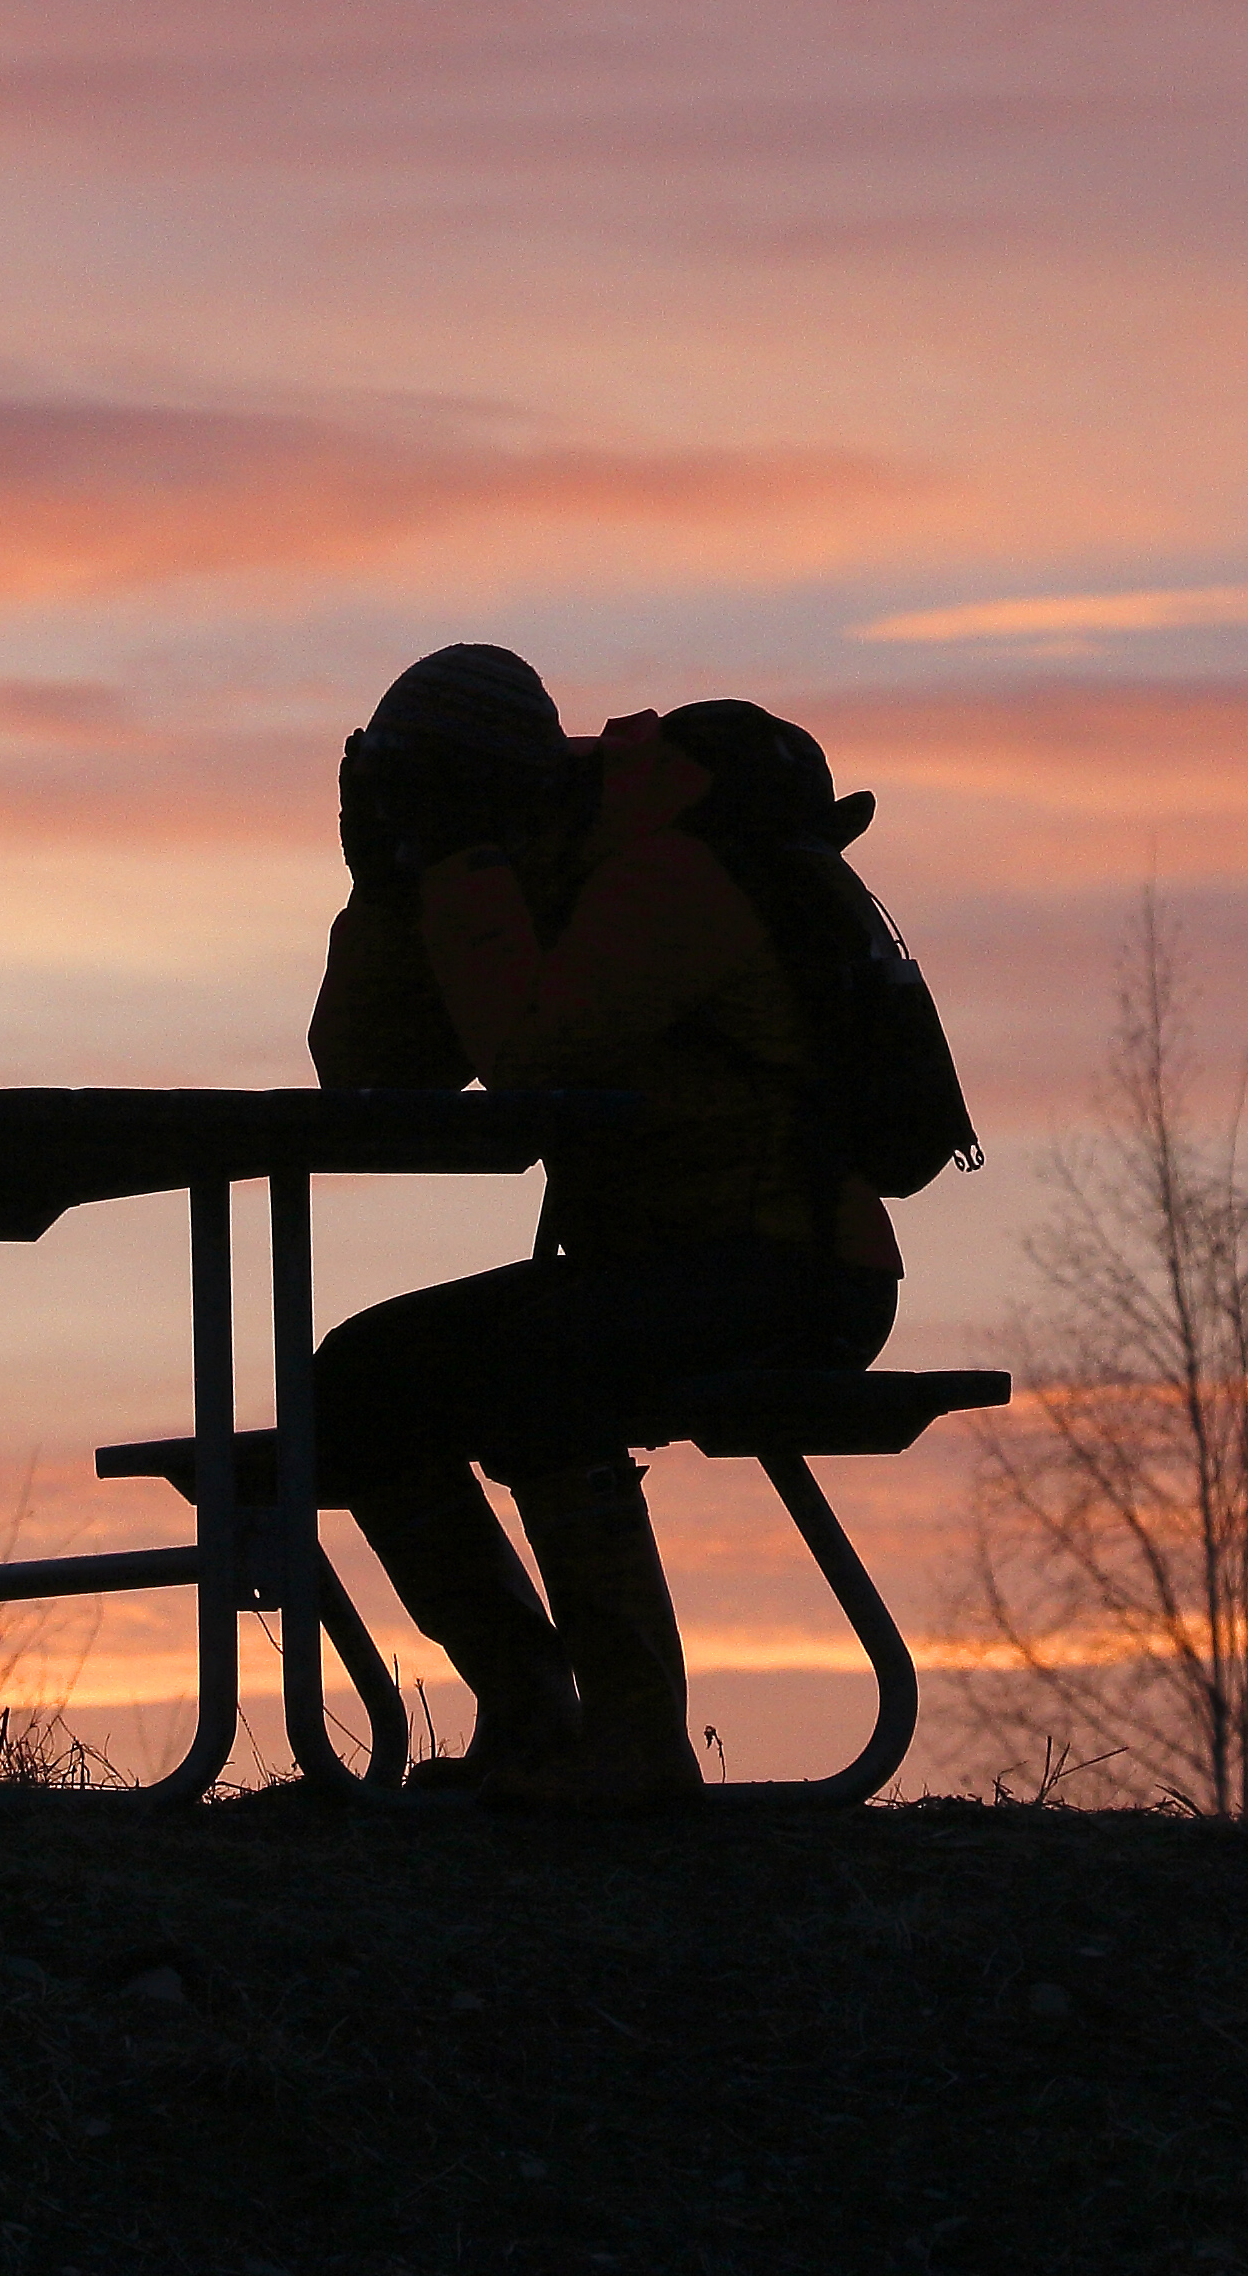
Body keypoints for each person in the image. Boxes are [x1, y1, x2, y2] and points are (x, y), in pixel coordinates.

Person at [306, 643, 902, 1812]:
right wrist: (387, 888)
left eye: (427, 789)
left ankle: (636, 1746)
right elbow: (370, 1077)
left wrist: (463, 868)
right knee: (360, 1378)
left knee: (541, 1369)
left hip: (792, 1266)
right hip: (653, 1262)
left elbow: (529, 1065)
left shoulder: (663, 875)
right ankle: (531, 1714)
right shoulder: (528, 869)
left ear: (500, 784)